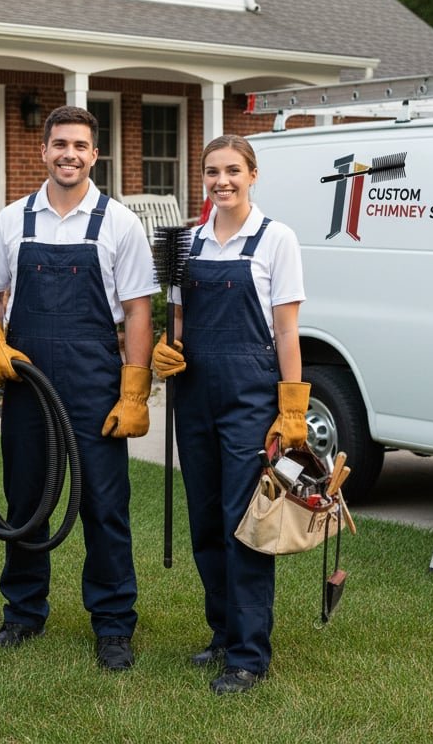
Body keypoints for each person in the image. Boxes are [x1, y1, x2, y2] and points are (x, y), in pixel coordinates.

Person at [0, 105, 158, 671]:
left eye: (79, 145)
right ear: (44, 151)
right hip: (27, 382)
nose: (69, 155)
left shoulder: (119, 223)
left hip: (94, 381)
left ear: (94, 154)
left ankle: (113, 624)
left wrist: (133, 391)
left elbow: (138, 310)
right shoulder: (14, 219)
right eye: (59, 144)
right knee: (25, 500)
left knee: (105, 504)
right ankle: (24, 614)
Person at [152, 134, 307, 695]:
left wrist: (292, 406)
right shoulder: (188, 242)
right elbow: (177, 321)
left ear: (252, 175)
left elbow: (286, 330)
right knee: (205, 520)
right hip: (193, 394)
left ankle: (248, 656)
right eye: (213, 171)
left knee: (245, 524)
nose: (222, 181)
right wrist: (165, 351)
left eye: (233, 171)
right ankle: (222, 632)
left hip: (249, 397)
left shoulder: (275, 239)